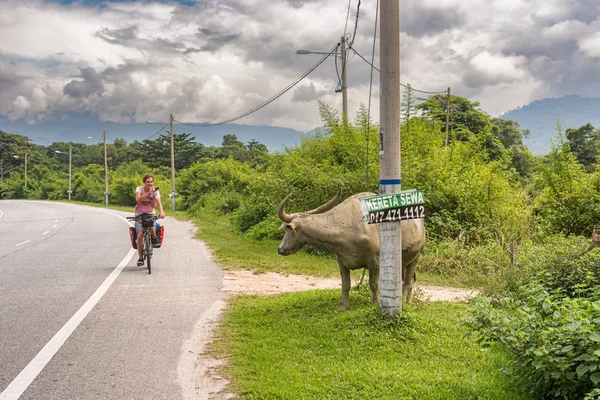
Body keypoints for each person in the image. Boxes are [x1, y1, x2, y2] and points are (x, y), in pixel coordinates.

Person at [134, 173, 165, 266]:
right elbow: (138, 200)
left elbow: (159, 203)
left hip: (150, 213)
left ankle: (154, 238)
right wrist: (149, 193)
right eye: (148, 182)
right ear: (144, 182)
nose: (150, 183)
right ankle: (140, 258)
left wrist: (162, 212)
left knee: (152, 227)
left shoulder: (155, 191)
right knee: (139, 235)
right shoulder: (139, 189)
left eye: (151, 182)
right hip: (139, 214)